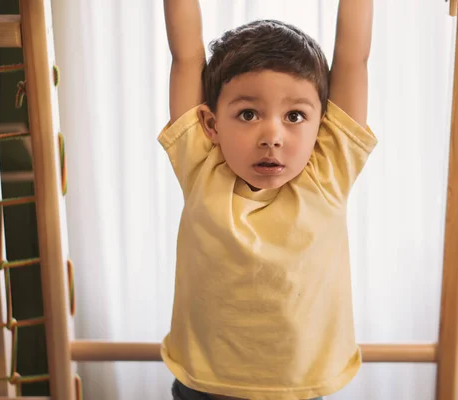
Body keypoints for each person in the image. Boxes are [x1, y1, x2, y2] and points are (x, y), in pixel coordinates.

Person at [159, 1, 376, 399]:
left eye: (294, 116)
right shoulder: (201, 167)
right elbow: (185, 56)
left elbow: (353, 59)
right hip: (205, 386)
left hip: (299, 387)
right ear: (210, 124)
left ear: (322, 125)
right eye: (247, 114)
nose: (272, 136)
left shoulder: (327, 173)